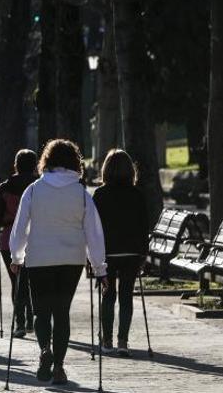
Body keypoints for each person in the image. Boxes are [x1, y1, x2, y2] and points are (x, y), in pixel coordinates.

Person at [9, 139, 107, 386]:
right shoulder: (81, 193)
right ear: (75, 162)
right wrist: (99, 267)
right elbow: (94, 231)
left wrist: (16, 256)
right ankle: (60, 368)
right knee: (61, 312)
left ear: (47, 161)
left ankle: (45, 350)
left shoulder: (33, 190)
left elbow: (20, 227)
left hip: (39, 258)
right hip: (71, 259)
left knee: (41, 311)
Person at [93, 149, 148, 357]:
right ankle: (123, 341)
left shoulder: (100, 195)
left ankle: (106, 340)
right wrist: (143, 253)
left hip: (107, 252)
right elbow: (144, 225)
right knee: (126, 296)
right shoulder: (137, 194)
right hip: (131, 252)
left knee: (108, 294)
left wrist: (92, 255)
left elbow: (93, 227)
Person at [0, 149, 38, 338]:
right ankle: (31, 319)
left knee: (16, 281)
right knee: (32, 280)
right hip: (35, 238)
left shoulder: (4, 187)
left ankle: (19, 322)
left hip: (9, 239)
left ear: (16, 165)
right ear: (35, 165)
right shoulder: (38, 186)